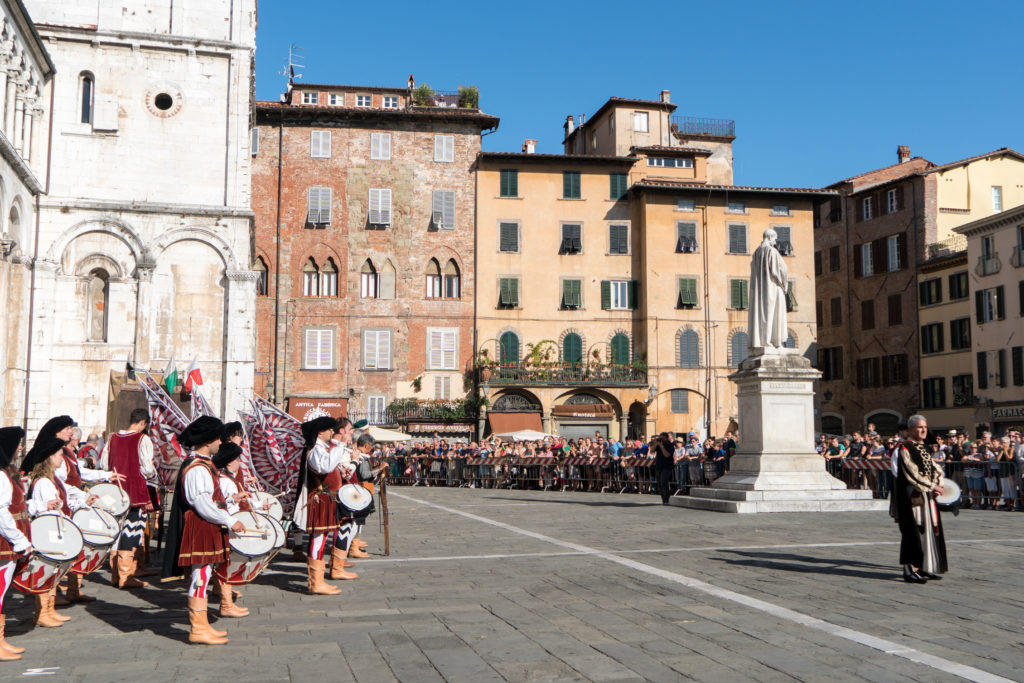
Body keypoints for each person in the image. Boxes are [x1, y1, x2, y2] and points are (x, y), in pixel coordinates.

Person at [161, 416, 245, 645]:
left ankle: (202, 624)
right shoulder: (198, 467)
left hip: (207, 525)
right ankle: (198, 629)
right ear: (208, 441)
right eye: (218, 437)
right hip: (202, 525)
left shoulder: (202, 463)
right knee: (200, 576)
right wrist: (229, 520)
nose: (221, 442)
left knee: (205, 574)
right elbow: (203, 503)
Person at [22, 437, 99, 627]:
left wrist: (83, 502)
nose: (61, 459)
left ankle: (49, 609)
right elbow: (46, 510)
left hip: (56, 528)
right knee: (48, 569)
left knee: (54, 571)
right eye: (58, 456)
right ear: (49, 458)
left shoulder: (53, 479)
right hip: (49, 531)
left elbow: (63, 500)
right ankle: (42, 612)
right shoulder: (43, 482)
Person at [100, 408, 156, 588]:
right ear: (142, 423)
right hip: (135, 489)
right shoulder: (142, 438)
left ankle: (116, 575)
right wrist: (152, 473)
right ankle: (125, 576)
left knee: (118, 530)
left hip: (115, 490)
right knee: (132, 530)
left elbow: (104, 464)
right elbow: (147, 468)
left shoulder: (113, 438)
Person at [292, 416, 344, 595]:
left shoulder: (319, 449)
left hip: (325, 499)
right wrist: (340, 445)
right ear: (320, 432)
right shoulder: (315, 450)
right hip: (319, 499)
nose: (332, 432)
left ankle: (318, 580)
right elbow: (325, 467)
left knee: (320, 539)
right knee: (318, 539)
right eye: (330, 429)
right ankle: (316, 582)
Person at [893, 415, 947, 584]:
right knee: (913, 531)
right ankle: (910, 569)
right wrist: (931, 486)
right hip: (914, 496)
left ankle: (925, 566)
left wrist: (939, 482)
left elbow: (935, 468)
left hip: (928, 496)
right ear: (910, 430)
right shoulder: (905, 447)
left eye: (925, 426)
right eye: (919, 427)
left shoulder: (923, 447)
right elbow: (910, 472)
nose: (924, 430)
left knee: (928, 530)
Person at [211, 441, 251, 618]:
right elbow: (223, 506)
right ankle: (226, 604)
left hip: (224, 522)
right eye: (237, 459)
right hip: (227, 524)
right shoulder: (226, 481)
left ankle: (223, 597)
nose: (239, 462)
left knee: (223, 563)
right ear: (229, 462)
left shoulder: (223, 479)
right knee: (227, 563)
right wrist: (235, 521)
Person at [0, 427, 29, 659]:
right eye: (17, 444)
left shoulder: (5, 473)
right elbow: (1, 514)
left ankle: (0, 639)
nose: (20, 447)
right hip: (4, 540)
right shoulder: (0, 475)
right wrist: (18, 540)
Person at [652, 433, 675, 505]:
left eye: (662, 438)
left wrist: (661, 446)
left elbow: (667, 455)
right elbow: (651, 450)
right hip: (659, 466)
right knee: (659, 483)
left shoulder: (670, 445)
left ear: (666, 438)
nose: (661, 439)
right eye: (660, 438)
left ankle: (667, 499)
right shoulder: (659, 445)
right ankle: (663, 499)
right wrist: (656, 443)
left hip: (667, 466)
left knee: (664, 481)